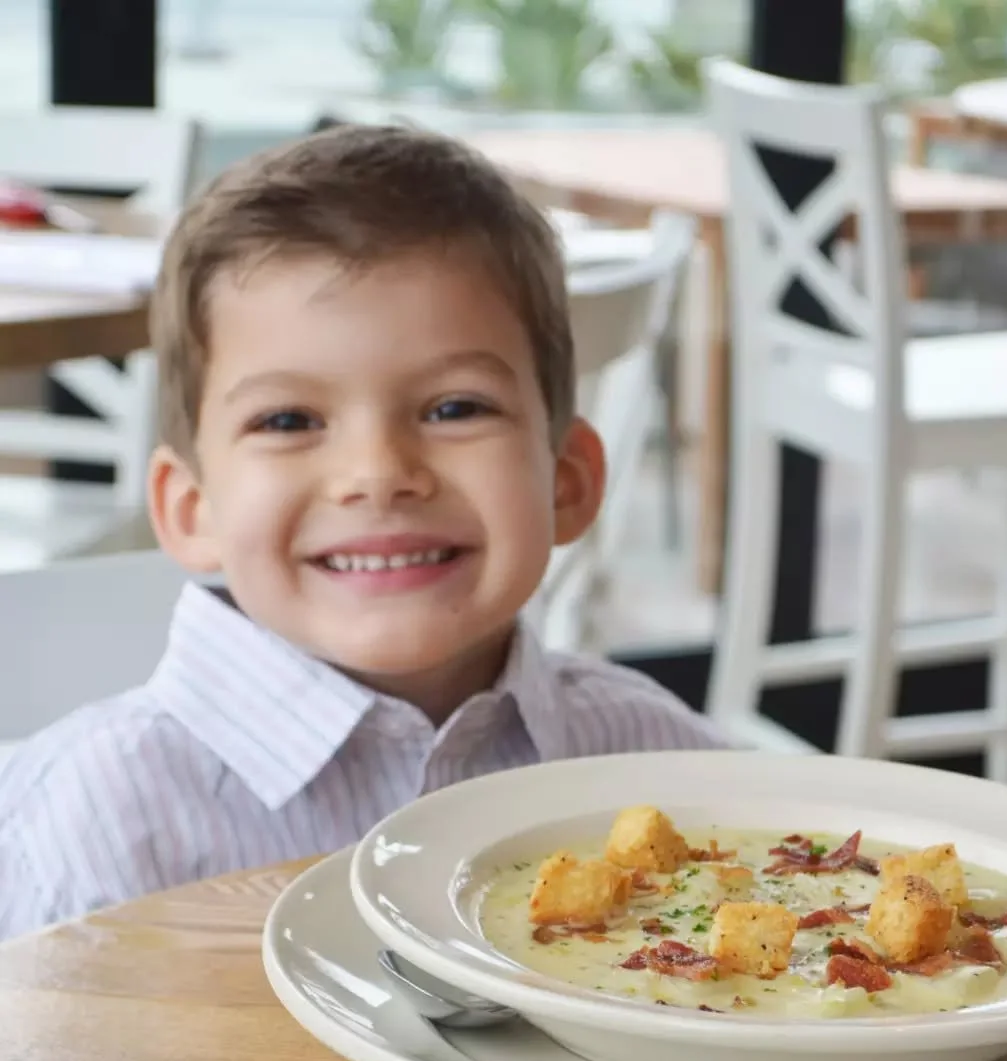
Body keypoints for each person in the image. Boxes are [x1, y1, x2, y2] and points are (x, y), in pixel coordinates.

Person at [0, 124, 724, 940]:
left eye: (455, 408)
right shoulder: (92, 831)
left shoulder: (663, 763)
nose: (378, 471)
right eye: (290, 420)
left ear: (567, 480)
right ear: (191, 509)